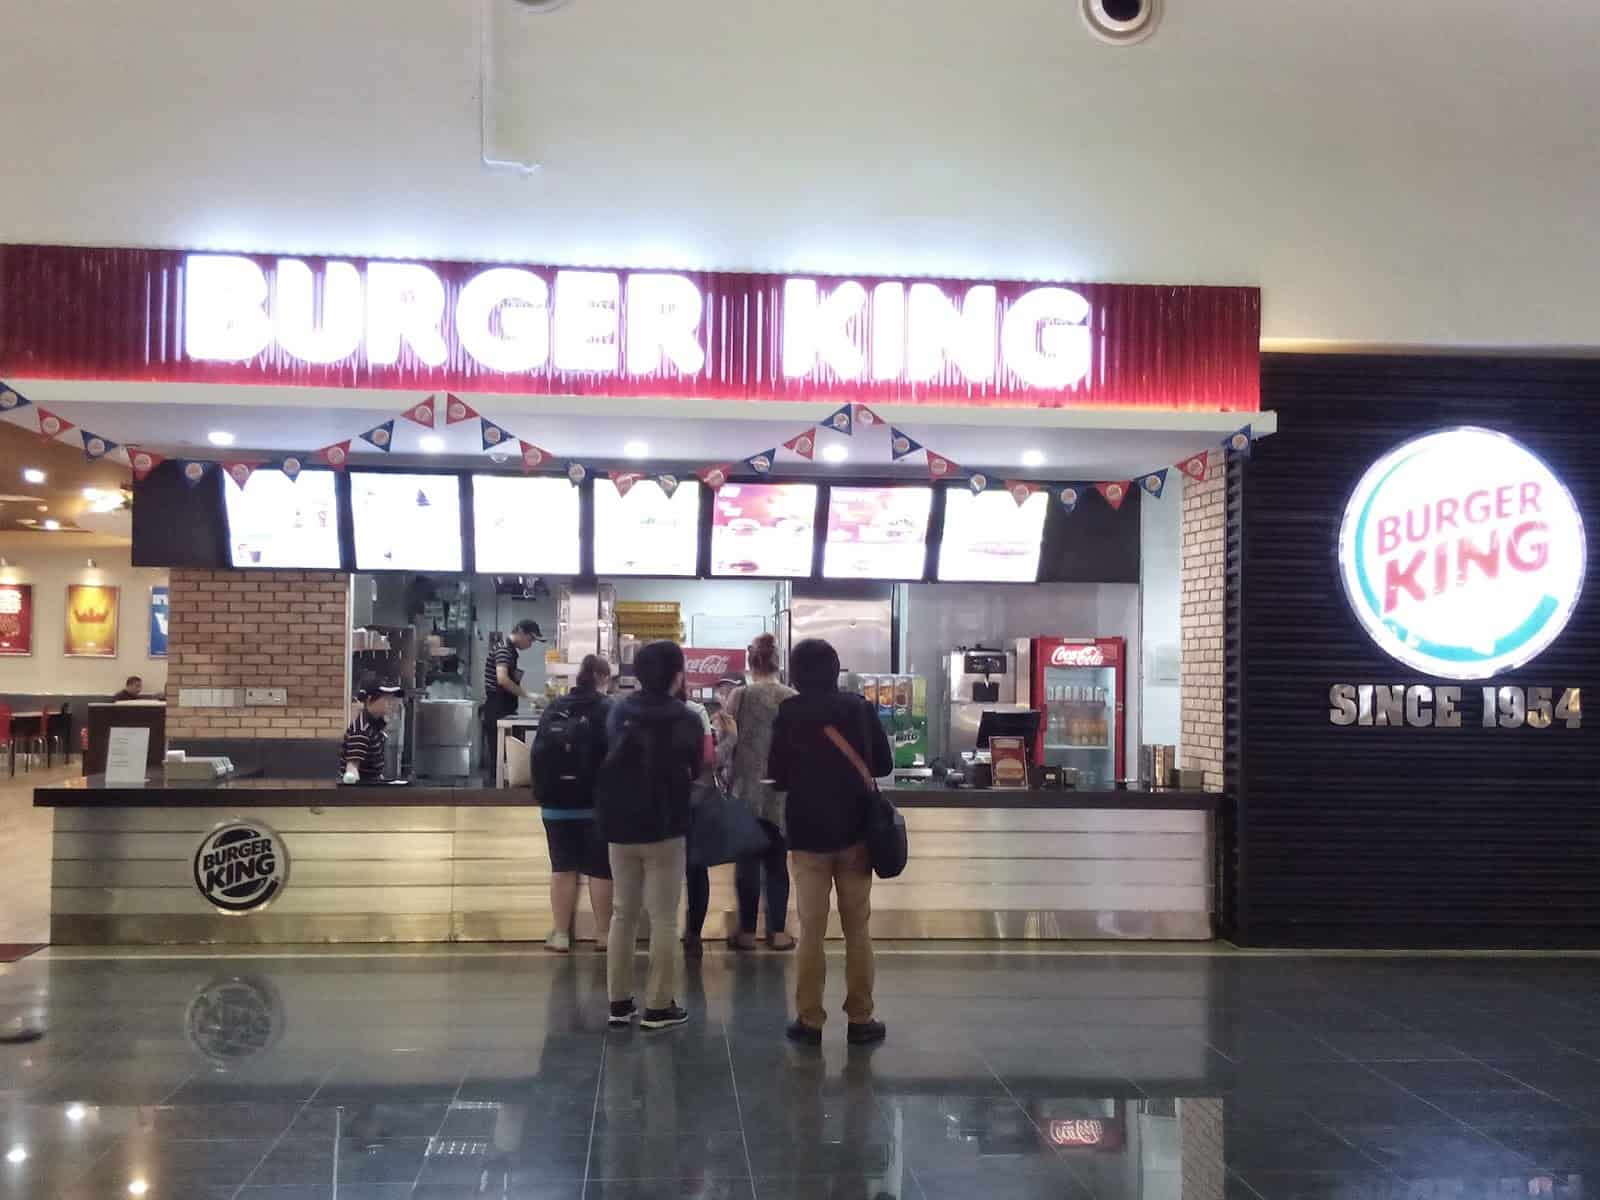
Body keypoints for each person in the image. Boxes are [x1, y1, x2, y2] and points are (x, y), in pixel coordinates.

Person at [767, 638, 892, 1046]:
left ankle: (809, 1020)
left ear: (797, 673)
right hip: (856, 833)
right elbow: (884, 764)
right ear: (836, 669)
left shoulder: (789, 713)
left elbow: (777, 775)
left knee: (811, 931)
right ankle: (860, 1018)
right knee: (858, 929)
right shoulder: (858, 708)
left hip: (807, 835)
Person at [597, 641, 707, 1031]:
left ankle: (619, 1002)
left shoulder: (617, 711)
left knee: (622, 913)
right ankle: (659, 1006)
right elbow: (696, 769)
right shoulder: (688, 718)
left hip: (620, 825)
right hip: (666, 826)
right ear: (678, 674)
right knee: (663, 919)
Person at [532, 654, 616, 955]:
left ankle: (560, 934)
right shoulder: (609, 709)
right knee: (600, 869)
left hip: (555, 804)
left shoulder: (554, 708)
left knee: (562, 868)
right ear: (603, 678)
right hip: (595, 803)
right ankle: (605, 934)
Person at [724, 633, 797, 951]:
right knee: (778, 864)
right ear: (777, 662)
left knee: (748, 864)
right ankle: (779, 933)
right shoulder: (792, 696)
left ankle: (747, 933)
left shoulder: (739, 696)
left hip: (745, 791)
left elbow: (726, 744)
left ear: (750, 662)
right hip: (782, 793)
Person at [679, 679, 718, 960]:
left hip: (650, 804)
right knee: (695, 869)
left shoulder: (628, 709)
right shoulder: (695, 711)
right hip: (691, 799)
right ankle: (693, 934)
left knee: (655, 871)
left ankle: (659, 933)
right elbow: (707, 756)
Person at [483, 619, 541, 778]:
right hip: (497, 707)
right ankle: (495, 798)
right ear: (520, 632)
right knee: (499, 759)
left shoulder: (510, 650)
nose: (531, 644)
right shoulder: (503, 649)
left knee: (505, 759)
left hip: (504, 706)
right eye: (531, 639)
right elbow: (502, 679)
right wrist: (528, 695)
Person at [341, 680, 402, 782]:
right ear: (369, 700)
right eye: (386, 699)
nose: (391, 703)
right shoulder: (361, 730)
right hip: (362, 792)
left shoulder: (375, 726)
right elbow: (351, 768)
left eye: (392, 699)